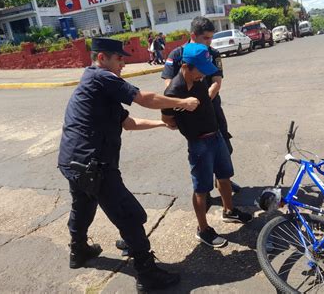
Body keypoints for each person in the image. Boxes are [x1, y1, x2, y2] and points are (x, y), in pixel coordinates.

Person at [58, 38, 199, 292]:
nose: (123, 63)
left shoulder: (96, 85)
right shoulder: (102, 78)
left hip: (73, 162)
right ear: (102, 58)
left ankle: (78, 251)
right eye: (119, 58)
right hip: (94, 165)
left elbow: (128, 123)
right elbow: (144, 98)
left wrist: (162, 124)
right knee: (131, 216)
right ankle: (146, 274)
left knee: (83, 206)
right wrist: (181, 102)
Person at [161, 43, 253, 248]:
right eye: (200, 69)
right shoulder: (174, 90)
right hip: (199, 144)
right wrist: (186, 125)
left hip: (216, 137)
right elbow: (167, 119)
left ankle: (229, 211)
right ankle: (203, 230)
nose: (203, 74)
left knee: (225, 176)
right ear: (186, 66)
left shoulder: (199, 81)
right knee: (201, 189)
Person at [161, 16, 239, 192]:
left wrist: (204, 99)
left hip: (212, 109)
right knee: (201, 153)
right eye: (206, 38)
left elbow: (216, 81)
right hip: (190, 114)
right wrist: (185, 101)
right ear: (193, 35)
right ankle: (205, 191)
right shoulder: (178, 54)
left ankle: (222, 180)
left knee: (224, 146)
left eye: (211, 37)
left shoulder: (212, 54)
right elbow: (168, 84)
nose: (210, 41)